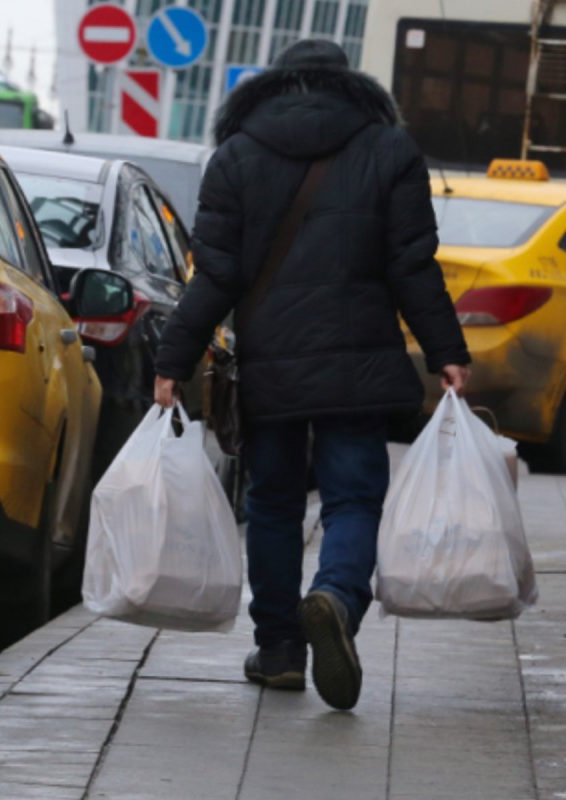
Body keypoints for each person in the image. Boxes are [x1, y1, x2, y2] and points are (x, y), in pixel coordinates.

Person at [152, 39, 471, 711]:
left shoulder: (236, 156)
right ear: (350, 85)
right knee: (354, 498)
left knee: (272, 503)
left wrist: (171, 363)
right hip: (359, 361)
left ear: (272, 87)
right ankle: (335, 598)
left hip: (270, 363)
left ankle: (279, 651)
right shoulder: (389, 150)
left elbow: (217, 277)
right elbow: (412, 265)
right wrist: (448, 352)